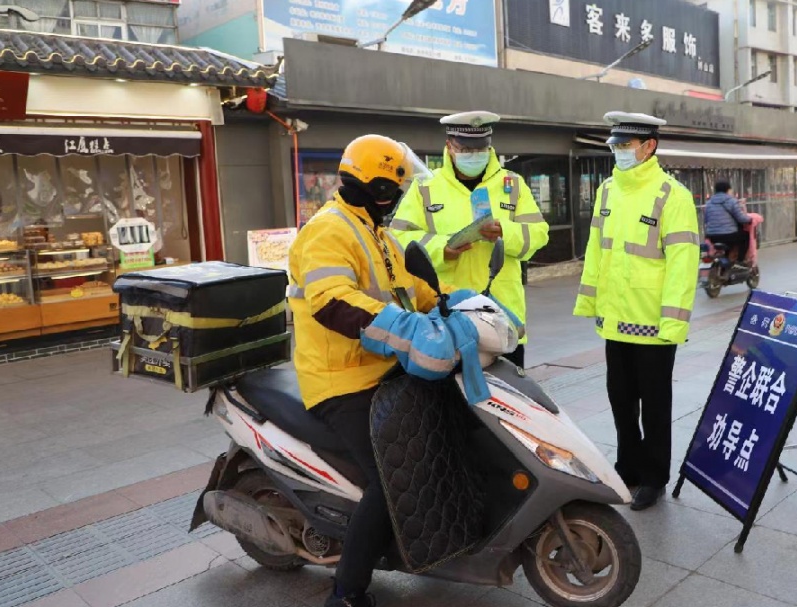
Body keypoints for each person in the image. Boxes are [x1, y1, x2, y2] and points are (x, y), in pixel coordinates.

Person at [288, 134, 472, 607]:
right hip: (341, 379)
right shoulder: (329, 231)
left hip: (383, 369)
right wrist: (403, 328)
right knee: (392, 478)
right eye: (396, 186)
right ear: (377, 187)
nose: (399, 196)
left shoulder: (376, 232)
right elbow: (333, 303)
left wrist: (464, 303)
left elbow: (414, 289)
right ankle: (347, 591)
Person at [574, 111, 700, 511]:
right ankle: (627, 467)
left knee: (655, 404)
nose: (620, 151)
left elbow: (683, 264)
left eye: (626, 145)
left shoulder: (672, 195)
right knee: (620, 400)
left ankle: (654, 477)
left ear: (649, 146)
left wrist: (673, 323)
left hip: (653, 326)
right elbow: (597, 250)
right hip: (615, 321)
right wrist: (591, 303)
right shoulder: (608, 190)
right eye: (616, 144)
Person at [390, 111, 549, 369]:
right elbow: (398, 240)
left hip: (502, 317)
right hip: (448, 316)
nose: (474, 155)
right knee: (454, 406)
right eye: (465, 149)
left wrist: (504, 232)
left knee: (504, 403)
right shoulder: (425, 188)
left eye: (480, 148)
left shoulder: (513, 184)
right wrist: (444, 248)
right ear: (449, 147)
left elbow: (539, 235)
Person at [703, 180, 751, 266]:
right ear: (728, 190)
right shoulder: (731, 201)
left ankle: (726, 261)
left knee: (729, 242)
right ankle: (740, 261)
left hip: (712, 236)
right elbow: (741, 218)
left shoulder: (709, 203)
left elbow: (706, 220)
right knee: (745, 236)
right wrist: (749, 219)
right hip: (729, 235)